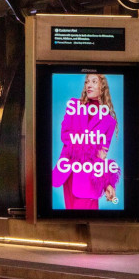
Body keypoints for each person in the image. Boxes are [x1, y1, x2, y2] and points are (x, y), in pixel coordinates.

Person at [52, 73, 120, 210]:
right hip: (68, 176)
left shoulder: (109, 122)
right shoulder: (74, 106)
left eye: (94, 82)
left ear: (102, 87)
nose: (89, 85)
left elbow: (100, 156)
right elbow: (65, 135)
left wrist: (107, 183)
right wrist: (88, 146)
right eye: (87, 82)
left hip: (87, 180)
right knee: (69, 224)